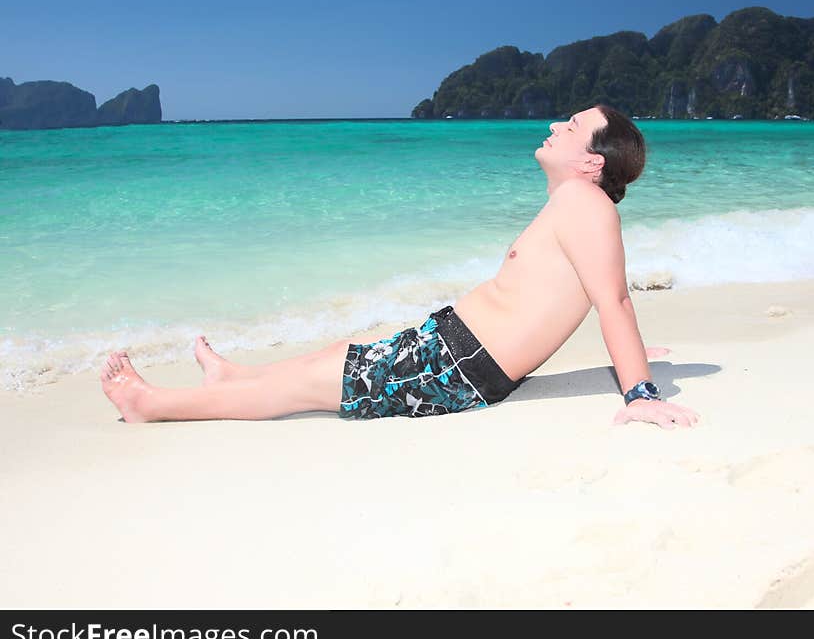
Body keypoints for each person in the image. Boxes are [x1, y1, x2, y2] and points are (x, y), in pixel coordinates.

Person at [101, 104, 699, 429]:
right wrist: (640, 360)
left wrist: (640, 389)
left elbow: (612, 300)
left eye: (569, 127)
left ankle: (152, 404)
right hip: (448, 349)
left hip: (460, 371)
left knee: (309, 387)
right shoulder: (575, 204)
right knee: (333, 356)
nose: (552, 126)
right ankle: (230, 378)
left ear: (593, 163)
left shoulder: (586, 205)